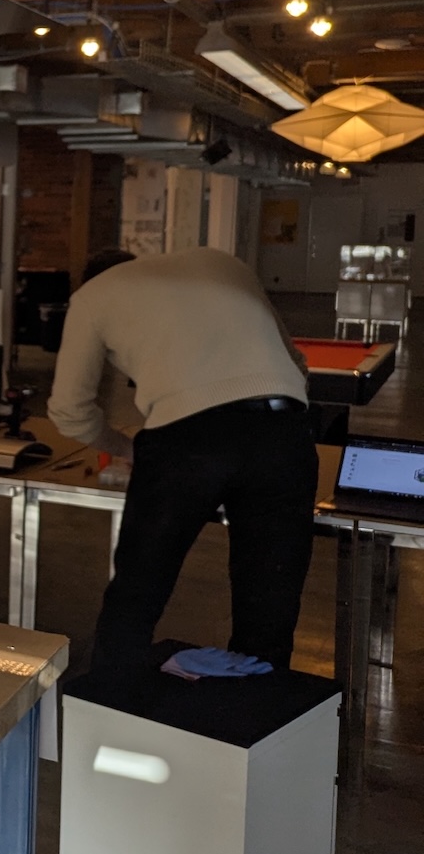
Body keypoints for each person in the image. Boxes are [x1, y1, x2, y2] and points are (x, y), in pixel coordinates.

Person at [47, 246, 314, 699]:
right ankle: (254, 723)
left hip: (185, 441)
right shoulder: (223, 262)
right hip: (284, 430)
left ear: (89, 279)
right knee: (270, 595)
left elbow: (69, 412)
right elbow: (297, 363)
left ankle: (112, 715)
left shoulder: (93, 297)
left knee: (138, 588)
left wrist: (129, 446)